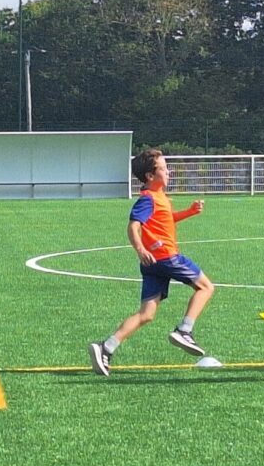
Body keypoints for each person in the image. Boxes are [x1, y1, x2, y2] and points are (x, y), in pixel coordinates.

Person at [88, 149, 215, 376]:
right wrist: (140, 249)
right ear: (150, 175)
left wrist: (189, 212)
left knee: (146, 314)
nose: (169, 172)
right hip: (166, 257)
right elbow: (133, 226)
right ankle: (184, 330)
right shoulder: (147, 199)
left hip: (153, 263)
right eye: (164, 168)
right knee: (206, 287)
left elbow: (166, 220)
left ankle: (105, 348)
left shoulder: (159, 198)